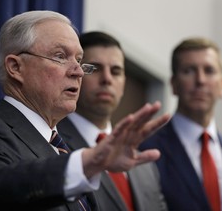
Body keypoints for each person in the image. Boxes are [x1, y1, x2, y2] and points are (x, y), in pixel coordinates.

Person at [0, 11, 170, 211]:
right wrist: (88, 163)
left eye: (79, 60)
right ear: (16, 67)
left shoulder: (61, 147)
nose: (79, 71)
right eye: (60, 56)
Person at [57, 31, 168, 211]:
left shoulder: (144, 166)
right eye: (95, 68)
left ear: (124, 82)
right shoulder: (54, 144)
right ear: (76, 73)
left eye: (116, 71)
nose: (107, 79)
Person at [139, 37, 222, 211]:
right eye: (189, 71)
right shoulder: (145, 151)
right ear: (174, 84)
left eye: (209, 70)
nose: (200, 80)